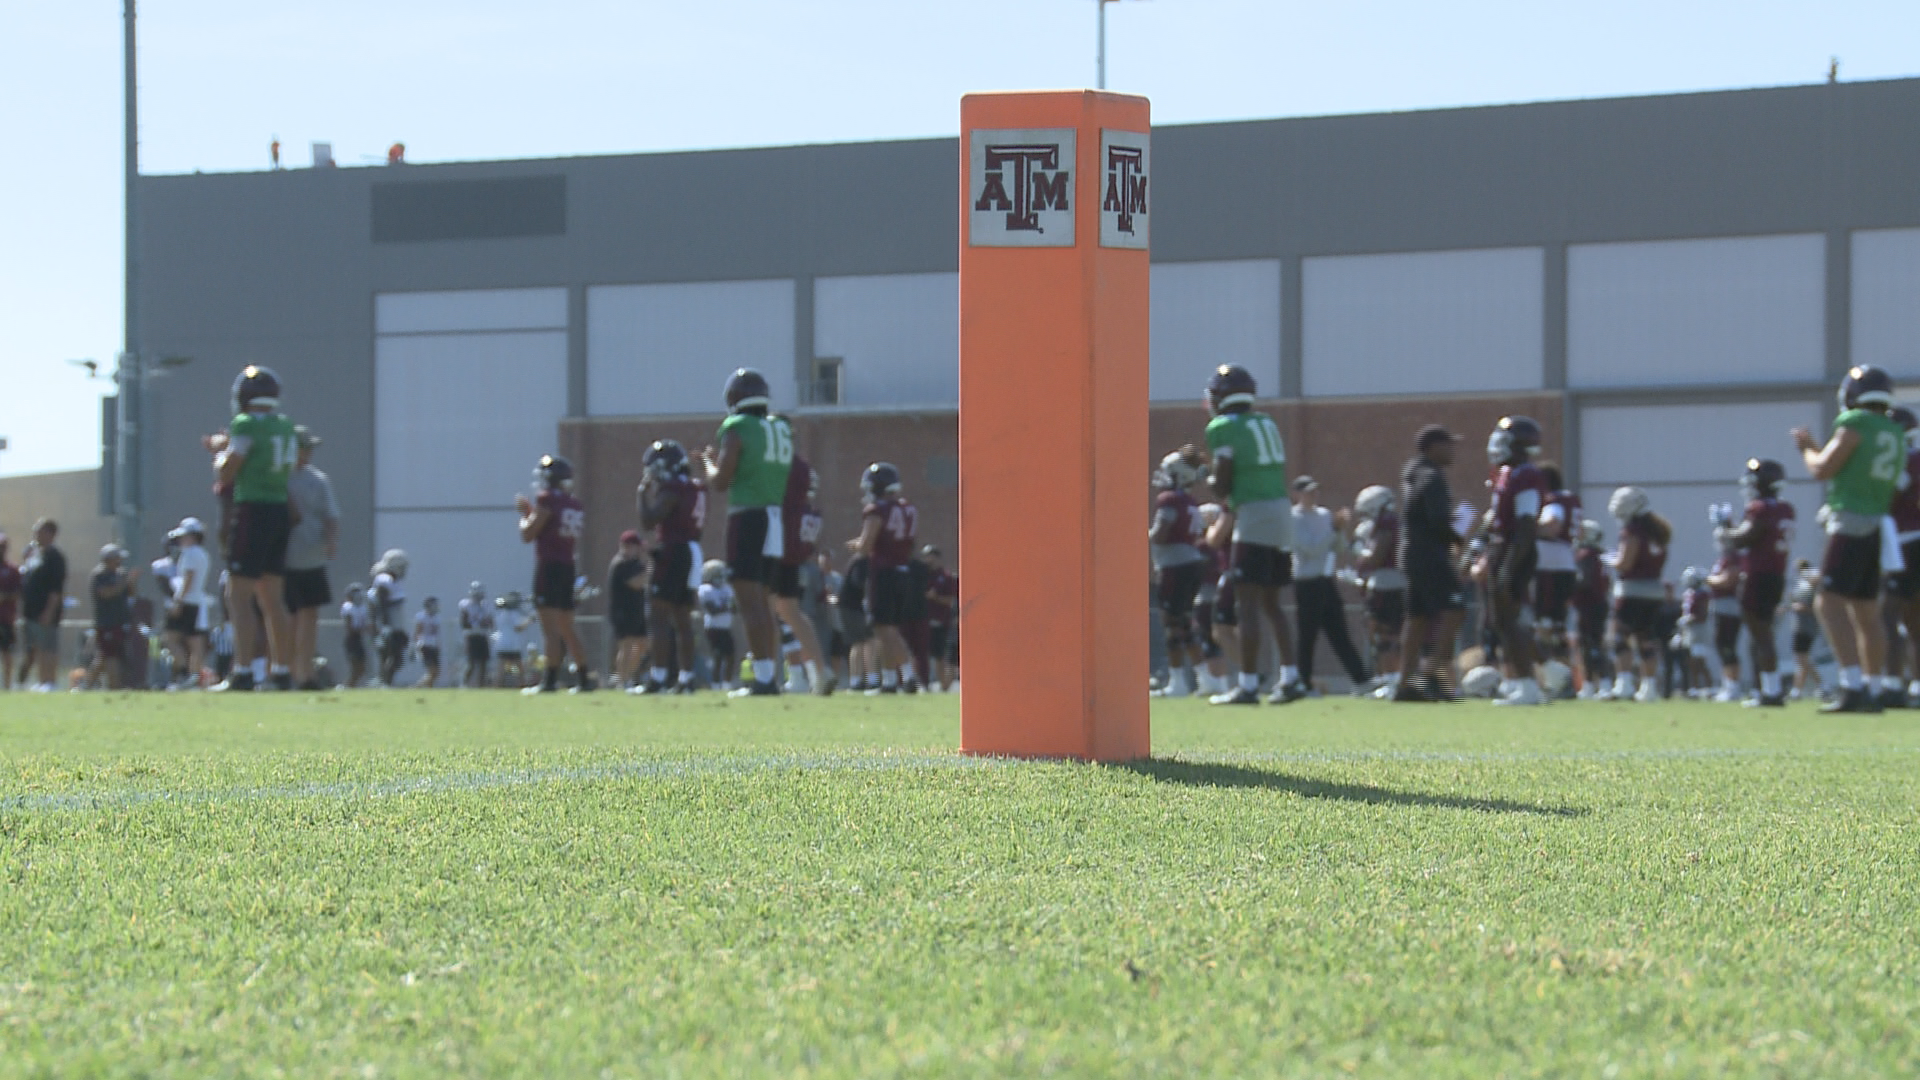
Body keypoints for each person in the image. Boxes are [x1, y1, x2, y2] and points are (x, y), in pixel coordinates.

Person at [1188, 364, 1303, 706]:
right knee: (1272, 604)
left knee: (1247, 601)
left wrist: (1203, 474)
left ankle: (1249, 685)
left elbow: (1222, 484)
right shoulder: (1266, 421)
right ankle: (1291, 677)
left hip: (1254, 512)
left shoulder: (1221, 426)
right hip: (1281, 509)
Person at [1793, 365, 1905, 713]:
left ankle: (1852, 685)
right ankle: (1873, 688)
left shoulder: (1855, 422)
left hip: (1851, 521)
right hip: (1878, 524)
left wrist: (1807, 447)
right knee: (1867, 612)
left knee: (1827, 602)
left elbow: (1822, 469)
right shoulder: (1894, 430)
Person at [702, 368, 792, 697]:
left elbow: (720, 481)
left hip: (748, 516)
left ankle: (765, 678)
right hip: (774, 517)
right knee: (763, 603)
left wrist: (709, 463)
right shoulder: (781, 427)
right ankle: (769, 675)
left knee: (749, 600)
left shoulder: (737, 427)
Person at [214, 365, 299, 691]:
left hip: (253, 509)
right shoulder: (286, 426)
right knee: (273, 597)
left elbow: (228, 471)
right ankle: (281, 670)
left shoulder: (245, 423)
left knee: (238, 595)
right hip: (279, 508)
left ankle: (244, 670)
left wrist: (219, 451)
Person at [1394, 428, 1468, 702]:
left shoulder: (1414, 471)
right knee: (1455, 610)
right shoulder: (1431, 476)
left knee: (1417, 618)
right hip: (1429, 555)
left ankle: (1406, 682)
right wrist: (1456, 537)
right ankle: (1430, 673)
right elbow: (1437, 517)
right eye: (1448, 445)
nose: (1452, 450)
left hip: (1413, 553)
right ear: (1432, 447)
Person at [1479, 416, 1549, 706]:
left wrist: (1508, 566)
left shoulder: (1525, 475)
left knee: (1508, 620)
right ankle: (1522, 680)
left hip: (1514, 549)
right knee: (1500, 620)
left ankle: (1529, 683)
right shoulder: (1509, 472)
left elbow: (1525, 524)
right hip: (1504, 548)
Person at [516, 453, 596, 694]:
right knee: (567, 627)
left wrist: (524, 514)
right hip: (567, 566)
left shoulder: (547, 499)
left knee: (550, 629)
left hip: (549, 567)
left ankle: (549, 681)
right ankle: (583, 677)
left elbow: (528, 533)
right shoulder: (574, 503)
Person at [636, 439, 705, 695]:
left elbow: (648, 521)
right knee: (683, 619)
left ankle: (659, 677)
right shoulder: (695, 487)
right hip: (692, 550)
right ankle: (686, 679)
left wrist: (641, 495)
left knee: (659, 616)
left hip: (673, 551)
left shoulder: (672, 488)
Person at [1290, 476, 1369, 694]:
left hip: (1326, 581)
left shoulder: (1324, 515)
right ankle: (1302, 683)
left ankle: (1361, 680)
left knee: (1340, 634)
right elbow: (1310, 549)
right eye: (1307, 491)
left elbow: (1338, 548)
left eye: (1315, 491)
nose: (1313, 495)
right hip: (1306, 582)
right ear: (1296, 494)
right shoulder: (1293, 518)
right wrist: (1333, 530)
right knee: (1307, 636)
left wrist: (1341, 530)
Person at [849, 462, 918, 695]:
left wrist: (855, 545)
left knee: (884, 629)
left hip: (884, 572)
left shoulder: (877, 510)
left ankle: (907, 676)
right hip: (903, 571)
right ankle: (890, 681)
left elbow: (866, 545)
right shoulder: (908, 508)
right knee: (886, 629)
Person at [282, 425, 339, 690]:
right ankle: (287, 669)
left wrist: (330, 541)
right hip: (283, 556)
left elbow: (330, 515)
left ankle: (306, 671)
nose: (308, 454)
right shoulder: (278, 479)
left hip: (311, 555)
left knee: (309, 614)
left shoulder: (318, 480)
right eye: (304, 448)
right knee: (288, 615)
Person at [772, 453, 835, 694]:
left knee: (784, 620)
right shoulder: (813, 511)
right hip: (803, 565)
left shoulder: (791, 507)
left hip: (785, 561)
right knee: (795, 618)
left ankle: (797, 676)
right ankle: (814, 671)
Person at [1150, 450, 1210, 698]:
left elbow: (1161, 535)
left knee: (1172, 623)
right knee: (1184, 622)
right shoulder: (1190, 501)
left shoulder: (1169, 500)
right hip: (1191, 563)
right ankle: (1205, 678)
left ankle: (1178, 682)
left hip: (1175, 566)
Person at [1604, 486, 1672, 703]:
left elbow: (1625, 563)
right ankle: (1649, 687)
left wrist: (1608, 559)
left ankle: (1624, 684)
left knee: (1620, 636)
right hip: (1654, 591)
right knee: (1646, 639)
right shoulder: (1658, 532)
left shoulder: (1632, 531)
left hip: (1632, 590)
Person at [1533, 465, 1581, 675]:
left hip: (1548, 565)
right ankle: (1565, 675)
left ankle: (1550, 675)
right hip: (1567, 562)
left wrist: (1526, 528)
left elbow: (1553, 525)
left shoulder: (1553, 501)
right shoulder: (1571, 499)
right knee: (1559, 626)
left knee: (1544, 625)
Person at [165, 518, 214, 689]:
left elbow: (189, 578)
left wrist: (178, 601)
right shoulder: (202, 554)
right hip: (195, 602)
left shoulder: (191, 554)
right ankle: (193, 676)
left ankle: (185, 673)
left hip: (186, 601)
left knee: (171, 639)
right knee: (195, 642)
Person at [20, 519, 67, 692]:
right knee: (37, 647)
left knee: (48, 647)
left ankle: (50, 681)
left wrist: (49, 611)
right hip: (31, 611)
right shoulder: (36, 555)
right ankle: (41, 681)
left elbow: (56, 589)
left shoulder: (55, 557)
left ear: (51, 534)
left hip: (46, 611)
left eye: (40, 532)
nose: (36, 535)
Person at [1702, 520, 1746, 702]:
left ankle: (1733, 686)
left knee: (1727, 645)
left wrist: (1709, 580)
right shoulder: (1725, 558)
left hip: (1729, 605)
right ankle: (1727, 684)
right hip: (1720, 605)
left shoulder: (1733, 558)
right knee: (1721, 645)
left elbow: (1728, 580)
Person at [1571, 519, 1613, 697]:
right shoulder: (1599, 555)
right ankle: (1600, 683)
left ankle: (1594, 684)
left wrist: (1567, 588)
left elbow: (1584, 581)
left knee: (1589, 645)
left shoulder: (1586, 554)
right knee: (1594, 643)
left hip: (1588, 604)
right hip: (1598, 602)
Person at [88, 545, 137, 690]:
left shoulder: (120, 574)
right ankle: (114, 686)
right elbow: (107, 593)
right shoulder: (99, 575)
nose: (120, 562)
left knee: (106, 656)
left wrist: (131, 581)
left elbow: (131, 594)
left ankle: (87, 685)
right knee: (110, 655)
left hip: (120, 622)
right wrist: (122, 582)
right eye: (117, 558)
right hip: (106, 622)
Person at [607, 532, 649, 689]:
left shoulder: (636, 563)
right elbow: (636, 583)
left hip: (637, 611)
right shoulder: (621, 563)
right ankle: (621, 681)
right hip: (623, 611)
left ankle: (628, 677)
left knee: (643, 644)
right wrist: (650, 570)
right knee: (626, 645)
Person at [369, 549, 410, 687]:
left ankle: (384, 682)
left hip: (394, 624)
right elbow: (382, 603)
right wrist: (386, 625)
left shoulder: (393, 580)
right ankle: (383, 682)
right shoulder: (384, 579)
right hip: (389, 624)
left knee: (394, 657)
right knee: (392, 656)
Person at [923, 546, 959, 692]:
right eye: (926, 556)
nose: (928, 559)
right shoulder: (923, 575)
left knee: (940, 655)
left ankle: (943, 686)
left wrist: (935, 597)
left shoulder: (946, 576)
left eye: (931, 556)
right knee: (920, 653)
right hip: (922, 620)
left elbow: (951, 601)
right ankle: (923, 685)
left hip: (940, 621)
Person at [698, 560, 738, 689]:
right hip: (713, 628)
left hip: (726, 627)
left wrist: (729, 606)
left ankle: (726, 684)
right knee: (718, 656)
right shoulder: (705, 589)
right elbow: (713, 611)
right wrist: (728, 606)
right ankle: (715, 685)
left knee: (731, 656)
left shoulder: (727, 588)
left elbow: (735, 609)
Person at [1788, 561, 1823, 699]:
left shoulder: (1812, 586)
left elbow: (1813, 606)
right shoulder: (1801, 586)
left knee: (1801, 658)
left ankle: (1821, 685)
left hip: (1808, 626)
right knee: (1801, 659)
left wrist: (1799, 607)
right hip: (1799, 625)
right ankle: (1797, 690)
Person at [455, 582, 494, 688]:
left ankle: (480, 685)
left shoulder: (485, 605)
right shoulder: (465, 604)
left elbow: (490, 622)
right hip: (471, 636)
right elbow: (464, 623)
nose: (478, 597)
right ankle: (463, 684)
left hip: (482, 635)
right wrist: (477, 624)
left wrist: (486, 623)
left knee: (484, 662)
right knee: (471, 662)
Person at [493, 590, 532, 689]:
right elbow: (518, 627)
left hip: (502, 643)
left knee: (501, 669)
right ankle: (522, 686)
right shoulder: (514, 613)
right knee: (520, 669)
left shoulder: (500, 613)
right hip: (512, 644)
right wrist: (529, 620)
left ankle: (497, 687)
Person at [340, 583, 371, 689]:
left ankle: (349, 686)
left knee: (361, 668)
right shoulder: (348, 607)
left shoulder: (363, 608)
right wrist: (365, 629)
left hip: (359, 639)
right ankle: (346, 687)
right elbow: (350, 628)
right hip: (352, 640)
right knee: (356, 667)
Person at [0, 532, 18, 691]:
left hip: (5, 619)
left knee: (7, 653)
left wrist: (4, 597)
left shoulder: (12, 570)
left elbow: (19, 593)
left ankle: (7, 686)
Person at [412, 597, 443, 688]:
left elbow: (437, 634)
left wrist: (438, 645)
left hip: (433, 646)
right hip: (424, 645)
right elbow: (417, 632)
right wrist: (414, 646)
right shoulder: (421, 616)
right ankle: (416, 687)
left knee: (435, 673)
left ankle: (429, 690)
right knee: (432, 671)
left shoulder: (437, 617)